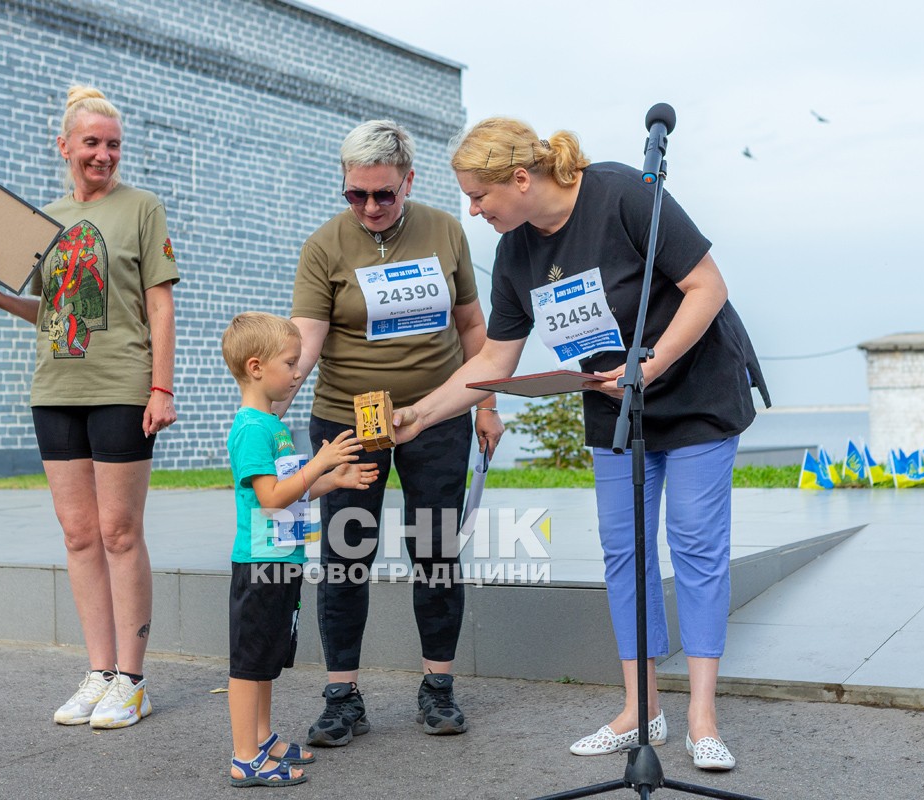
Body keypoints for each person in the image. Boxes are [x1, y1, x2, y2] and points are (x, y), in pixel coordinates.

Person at [392, 117, 770, 771]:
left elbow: (708, 286)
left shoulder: (623, 194)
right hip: (613, 407)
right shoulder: (514, 254)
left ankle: (702, 719)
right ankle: (640, 709)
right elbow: (495, 362)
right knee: (623, 553)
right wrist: (421, 414)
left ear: (520, 178)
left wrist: (649, 367)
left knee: (697, 546)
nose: (473, 210)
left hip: (696, 393)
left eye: (479, 196)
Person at [277, 119, 505, 746]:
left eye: (385, 194)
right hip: (348, 421)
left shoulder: (446, 230)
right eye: (357, 195)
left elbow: (471, 325)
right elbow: (305, 344)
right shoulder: (324, 245)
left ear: (410, 180)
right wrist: (264, 412)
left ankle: (438, 688)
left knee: (434, 549)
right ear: (344, 186)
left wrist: (485, 406)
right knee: (346, 555)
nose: (371, 207)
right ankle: (342, 696)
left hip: (436, 414)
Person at [0, 85, 179, 729]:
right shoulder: (43, 220)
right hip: (55, 390)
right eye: (92, 142)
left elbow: (160, 305)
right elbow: (52, 313)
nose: (104, 154)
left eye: (113, 144)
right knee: (80, 534)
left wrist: (161, 388)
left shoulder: (143, 209)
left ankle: (133, 679)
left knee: (119, 531)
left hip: (122, 387)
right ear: (65, 147)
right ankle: (99, 672)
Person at [220, 311, 379, 787]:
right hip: (260, 564)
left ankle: (263, 739)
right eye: (290, 364)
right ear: (255, 367)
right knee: (249, 666)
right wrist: (319, 463)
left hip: (282, 559)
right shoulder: (252, 428)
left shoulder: (271, 424)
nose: (297, 372)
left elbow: (289, 490)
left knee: (267, 659)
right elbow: (270, 498)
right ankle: (245, 755)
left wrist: (331, 478)